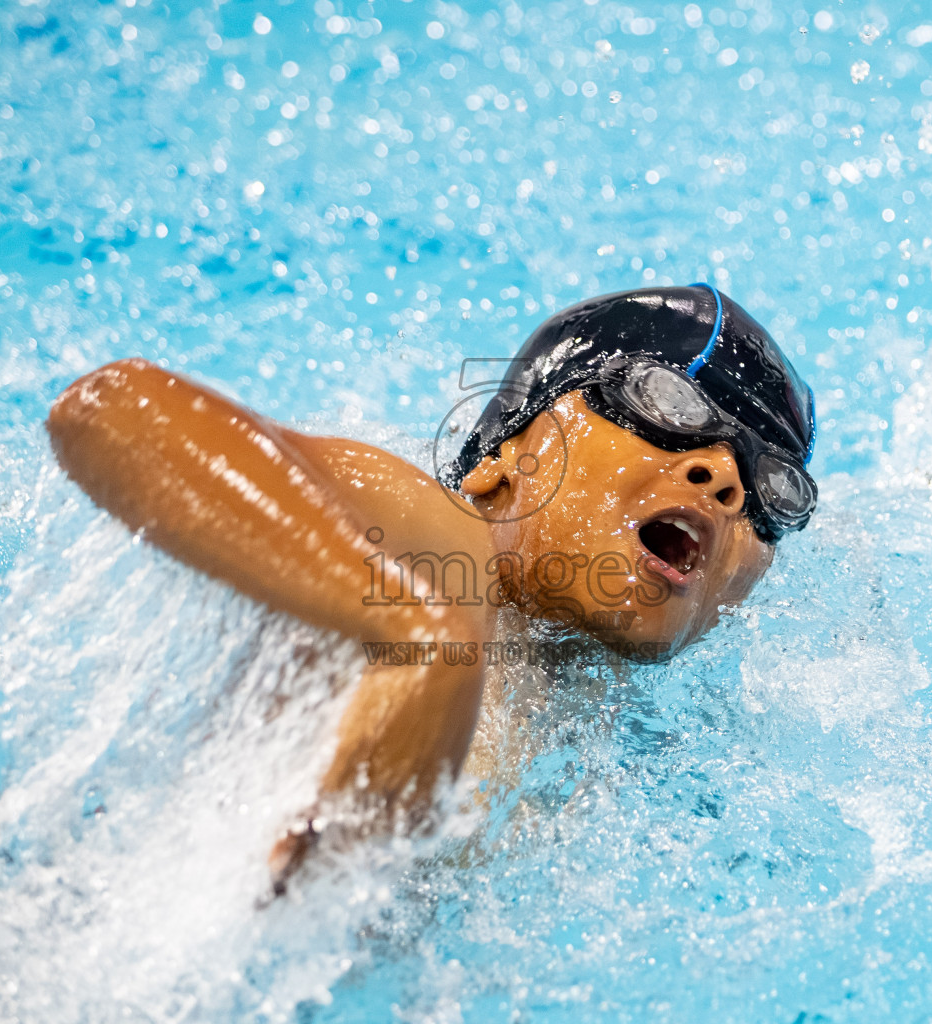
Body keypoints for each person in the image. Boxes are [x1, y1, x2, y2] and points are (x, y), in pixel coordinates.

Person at [45, 284, 817, 885]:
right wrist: (409, 631)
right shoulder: (435, 541)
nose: (722, 478)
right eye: (665, 405)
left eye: (774, 488)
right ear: (504, 455)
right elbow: (113, 407)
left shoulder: (647, 746)